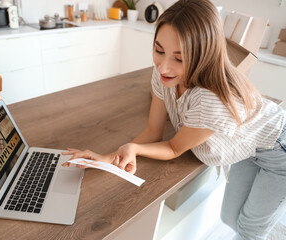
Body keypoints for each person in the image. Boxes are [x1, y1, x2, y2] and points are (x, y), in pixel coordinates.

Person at [62, 0, 286, 239]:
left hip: (278, 150)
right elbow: (153, 132)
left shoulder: (211, 100)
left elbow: (174, 146)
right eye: (159, 50)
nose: (164, 67)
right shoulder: (162, 75)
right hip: (251, 144)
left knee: (250, 229)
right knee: (229, 219)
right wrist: (107, 158)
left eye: (179, 58)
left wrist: (134, 149)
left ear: (204, 55)